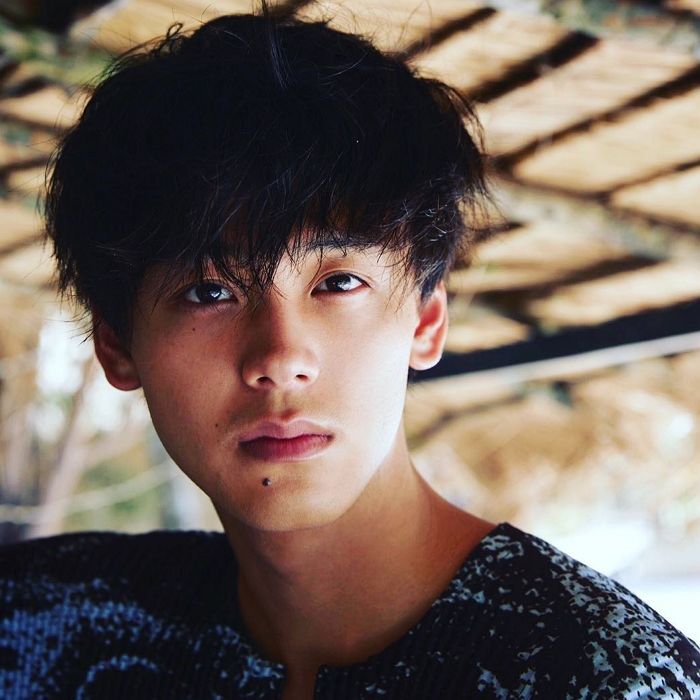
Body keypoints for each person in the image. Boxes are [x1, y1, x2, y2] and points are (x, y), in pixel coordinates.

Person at [1, 5, 699, 699]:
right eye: (209, 292)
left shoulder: (605, 677)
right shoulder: (42, 625)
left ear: (427, 321)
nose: (281, 357)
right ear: (118, 347)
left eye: (338, 283)